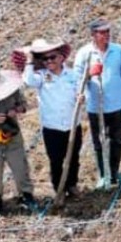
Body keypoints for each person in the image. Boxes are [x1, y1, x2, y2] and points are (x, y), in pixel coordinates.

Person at [74, 18, 121, 188]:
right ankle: (103, 173)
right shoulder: (84, 53)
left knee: (116, 140)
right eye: (102, 33)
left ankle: (114, 174)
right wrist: (88, 75)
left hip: (116, 104)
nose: (106, 35)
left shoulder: (118, 50)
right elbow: (77, 79)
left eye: (107, 32)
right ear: (93, 35)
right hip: (95, 105)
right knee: (99, 141)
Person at [22, 39, 83, 197]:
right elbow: (28, 81)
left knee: (74, 157)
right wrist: (29, 61)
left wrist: (82, 97)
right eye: (45, 59)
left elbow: (83, 92)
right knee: (56, 160)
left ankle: (72, 185)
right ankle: (59, 189)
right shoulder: (41, 76)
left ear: (61, 57)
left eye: (52, 57)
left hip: (72, 124)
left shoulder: (72, 74)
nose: (49, 61)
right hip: (52, 127)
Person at [0, 69, 36, 213]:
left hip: (12, 134)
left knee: (20, 166)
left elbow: (23, 105)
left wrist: (16, 110)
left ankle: (26, 195)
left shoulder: (12, 89)